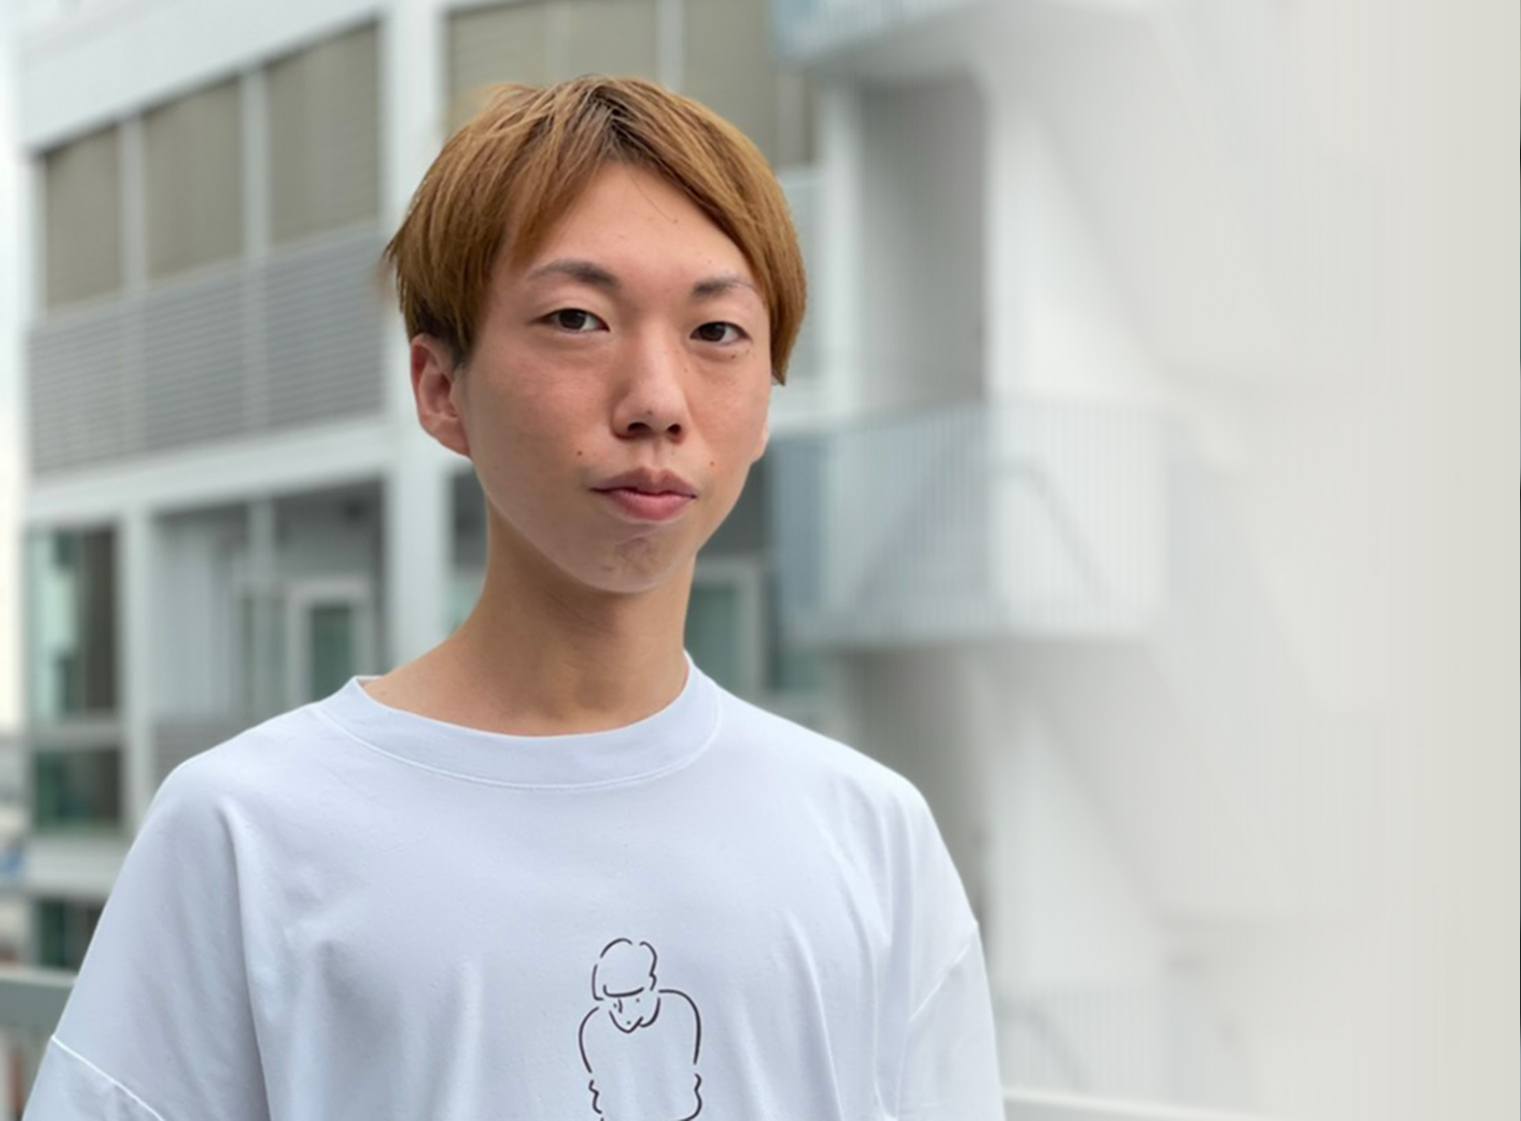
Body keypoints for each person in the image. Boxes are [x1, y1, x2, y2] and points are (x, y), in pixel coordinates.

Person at [23, 76, 1003, 1119]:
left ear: (766, 401)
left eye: (716, 331)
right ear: (440, 387)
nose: (657, 401)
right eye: (578, 318)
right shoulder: (244, 828)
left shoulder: (870, 833)